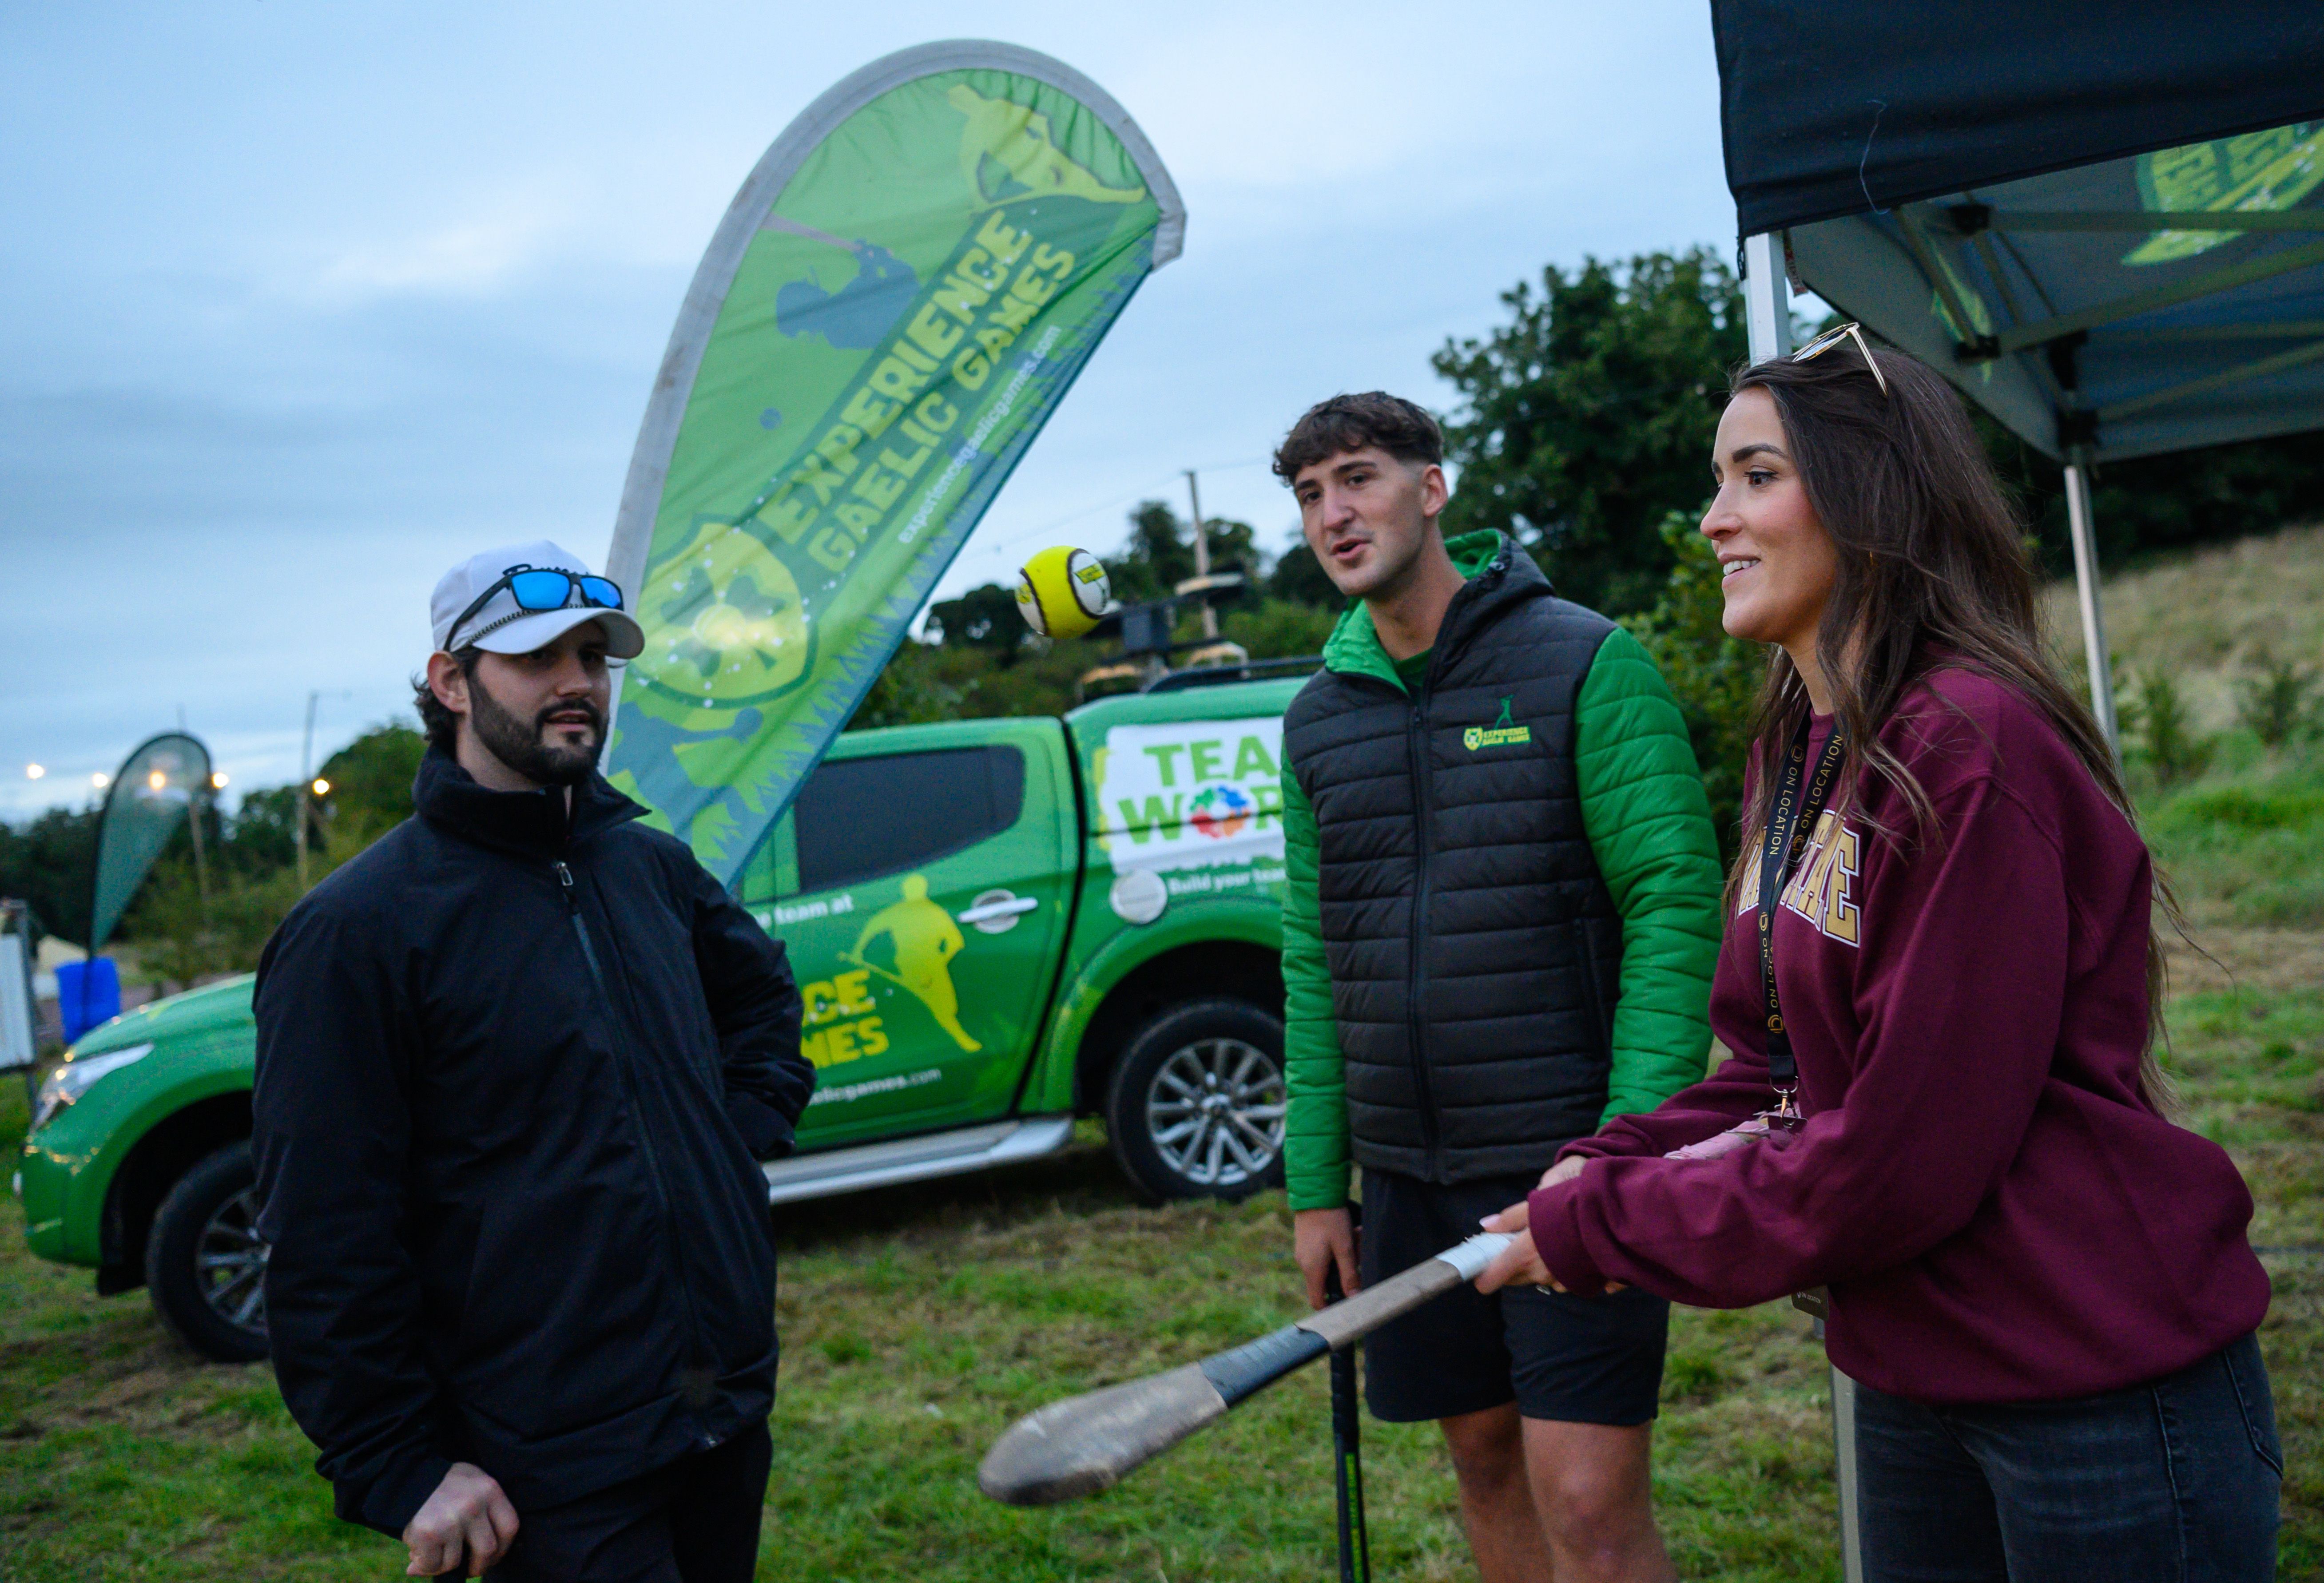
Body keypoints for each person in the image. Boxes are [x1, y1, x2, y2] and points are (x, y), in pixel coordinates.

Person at [1478, 333, 2282, 1580]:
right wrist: (1615, 1157)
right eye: (1717, 480)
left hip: (2094, 1382)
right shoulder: (1798, 750)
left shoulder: (1970, 743)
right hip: (1912, 1368)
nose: (1713, 520)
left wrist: (1616, 1224)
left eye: (1755, 476)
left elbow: (1901, 1158)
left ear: (1868, 494)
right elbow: (1784, 1074)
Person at [252, 540, 814, 1582]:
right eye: (536, 657)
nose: (577, 683)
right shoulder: (357, 930)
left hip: (719, 1408)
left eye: (593, 657)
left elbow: (761, 1003)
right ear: (451, 682)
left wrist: (723, 1150)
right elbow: (324, 1229)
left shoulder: (649, 866)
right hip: (544, 1466)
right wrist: (397, 1463)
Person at [1276, 393, 1724, 1582]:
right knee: (1481, 1458)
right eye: (1310, 494)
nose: (1333, 514)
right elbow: (1312, 955)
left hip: (1563, 1160)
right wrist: (1319, 1186)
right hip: (1405, 1174)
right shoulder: (1316, 721)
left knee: (1587, 1499)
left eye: (1358, 478)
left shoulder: (1584, 660)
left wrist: (1624, 1147)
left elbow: (1675, 903)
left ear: (1432, 489)